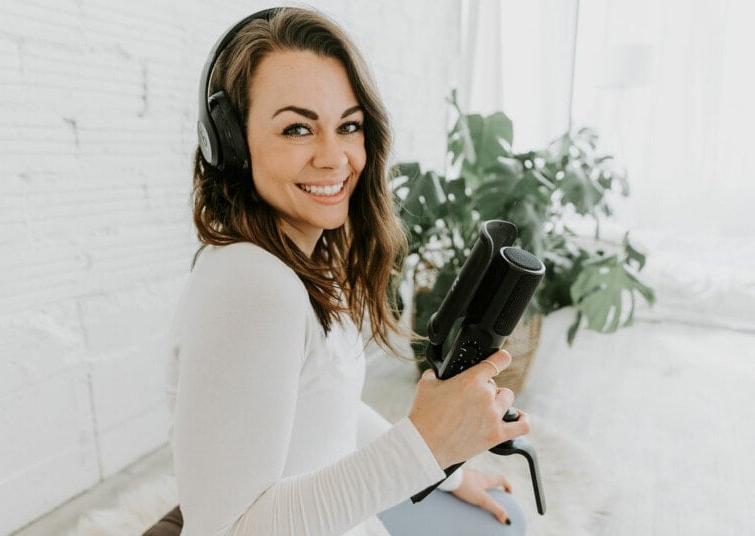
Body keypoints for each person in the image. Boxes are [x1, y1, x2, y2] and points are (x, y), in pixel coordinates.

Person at [165, 6, 531, 535]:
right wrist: (426, 445)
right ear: (232, 144)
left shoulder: (302, 258)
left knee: (506, 520)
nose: (334, 157)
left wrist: (443, 472)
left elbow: (328, 409)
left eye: (349, 126)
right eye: (297, 129)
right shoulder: (252, 285)